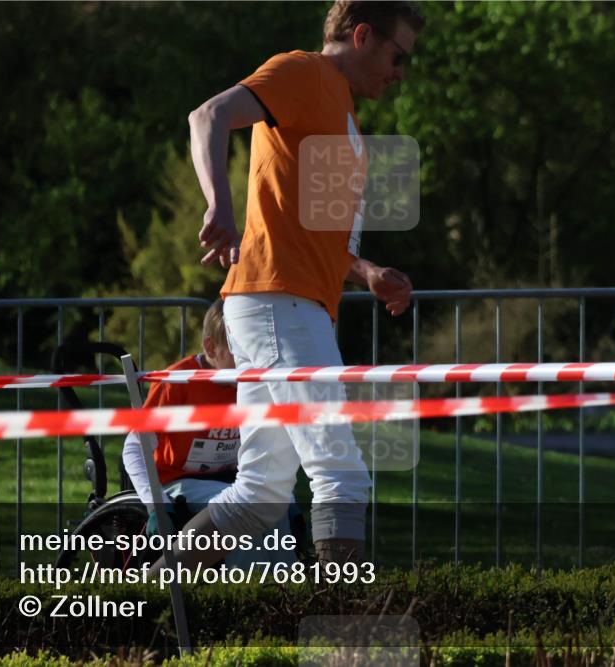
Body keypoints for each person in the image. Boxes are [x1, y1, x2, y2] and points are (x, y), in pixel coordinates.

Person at [154, 0, 424, 574]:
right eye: (397, 57)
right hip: (280, 304)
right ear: (362, 36)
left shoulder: (342, 114)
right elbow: (207, 116)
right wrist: (218, 208)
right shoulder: (303, 72)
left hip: (278, 304)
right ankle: (343, 637)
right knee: (340, 474)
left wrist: (367, 272)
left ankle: (154, 603)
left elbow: (313, 233)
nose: (400, 73)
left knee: (261, 493)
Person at [122, 299, 296, 567]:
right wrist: (155, 502)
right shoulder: (177, 381)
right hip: (177, 482)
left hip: (228, 480)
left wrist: (289, 496)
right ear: (211, 347)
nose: (246, 365)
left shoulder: (251, 383)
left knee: (273, 510)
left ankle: (281, 596)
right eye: (237, 355)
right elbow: (134, 446)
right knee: (244, 514)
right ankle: (243, 595)